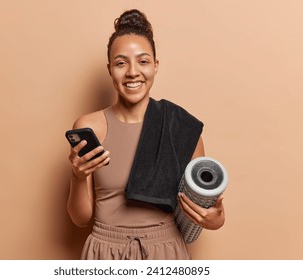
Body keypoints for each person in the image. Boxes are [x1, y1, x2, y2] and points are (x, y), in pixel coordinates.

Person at [67, 9, 225, 260]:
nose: (132, 72)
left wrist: (216, 218)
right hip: (105, 251)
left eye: (143, 61)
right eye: (121, 63)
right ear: (110, 69)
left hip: (166, 251)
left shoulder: (181, 127)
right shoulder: (90, 126)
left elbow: (203, 208)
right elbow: (80, 218)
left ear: (155, 65)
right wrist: (78, 176)